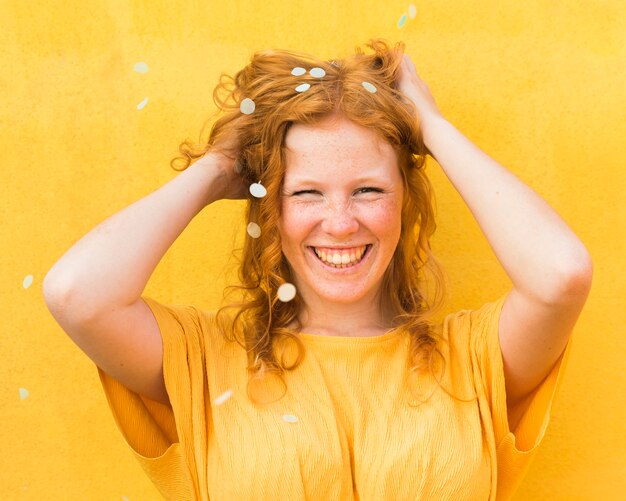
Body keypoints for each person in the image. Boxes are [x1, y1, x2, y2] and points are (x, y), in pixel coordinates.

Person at [43, 39, 592, 500]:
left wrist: (431, 127)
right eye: (305, 192)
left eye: (369, 190)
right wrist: (217, 167)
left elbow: (562, 274)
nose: (339, 223)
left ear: (405, 200)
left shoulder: (473, 359)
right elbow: (76, 293)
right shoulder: (207, 362)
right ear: (270, 208)